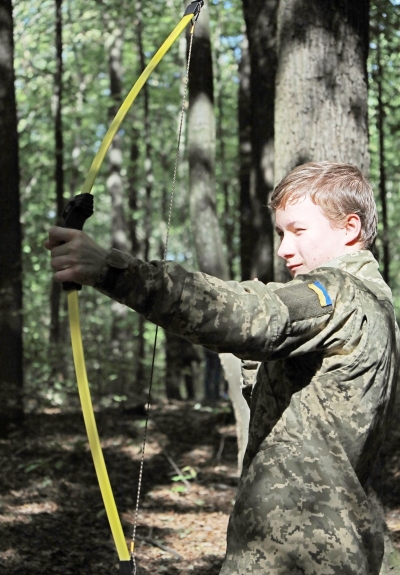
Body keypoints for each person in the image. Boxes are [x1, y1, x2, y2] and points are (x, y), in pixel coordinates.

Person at [46, 161, 399, 575]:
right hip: (338, 542)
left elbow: (252, 314)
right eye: (281, 233)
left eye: (299, 231)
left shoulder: (337, 295)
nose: (285, 248)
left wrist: (111, 270)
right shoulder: (379, 307)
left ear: (350, 228)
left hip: (297, 553)